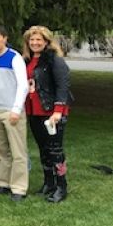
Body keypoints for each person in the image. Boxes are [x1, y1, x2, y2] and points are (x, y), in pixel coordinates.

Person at [22, 26, 72, 203]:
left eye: (39, 40)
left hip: (51, 112)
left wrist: (58, 111)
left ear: (46, 42)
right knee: (43, 149)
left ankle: (61, 186)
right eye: (32, 40)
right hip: (34, 111)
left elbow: (62, 86)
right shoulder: (26, 60)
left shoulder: (54, 60)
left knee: (55, 151)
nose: (35, 43)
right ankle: (48, 183)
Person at [0, 25, 29, 202]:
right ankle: (4, 182)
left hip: (11, 111)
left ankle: (19, 187)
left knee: (18, 151)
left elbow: (23, 85)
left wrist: (16, 109)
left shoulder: (14, 57)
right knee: (0, 150)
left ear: (5, 38)